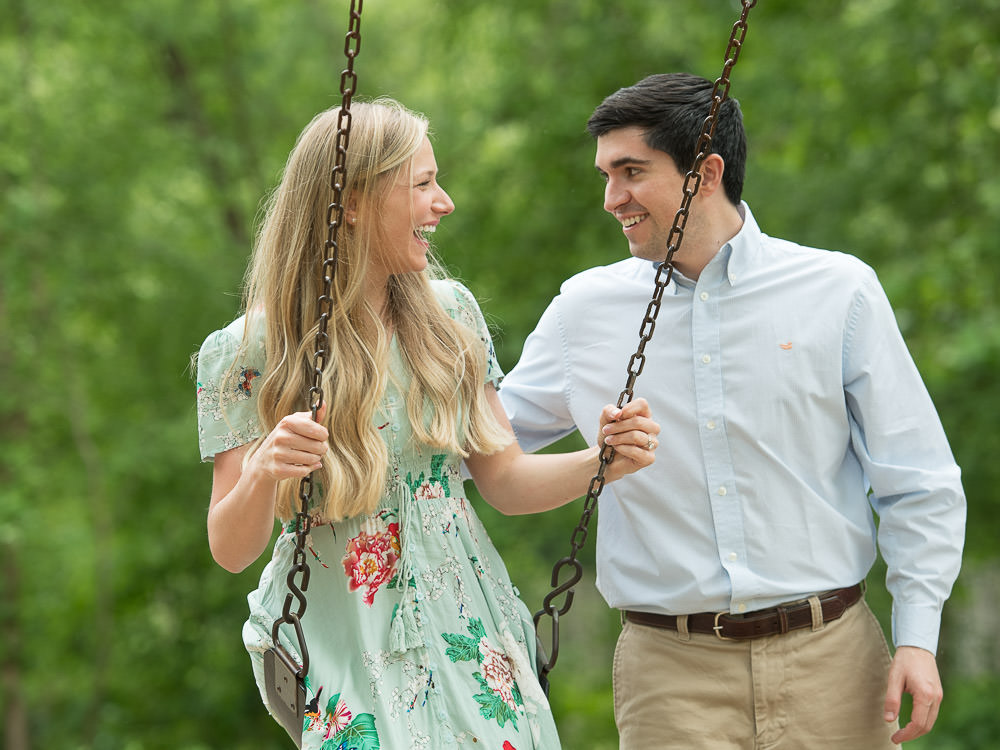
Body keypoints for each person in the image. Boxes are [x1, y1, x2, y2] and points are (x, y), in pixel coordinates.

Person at [498, 73, 966, 749]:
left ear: (706, 171)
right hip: (671, 677)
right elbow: (483, 445)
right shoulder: (583, 310)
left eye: (632, 172)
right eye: (605, 175)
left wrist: (918, 638)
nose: (611, 199)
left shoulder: (839, 291)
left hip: (834, 663)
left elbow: (916, 478)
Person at [194, 97, 660, 749]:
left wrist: (598, 463)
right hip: (343, 634)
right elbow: (230, 546)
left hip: (466, 623)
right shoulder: (248, 351)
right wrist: (266, 470)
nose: (443, 203)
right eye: (422, 185)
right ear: (352, 202)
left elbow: (503, 480)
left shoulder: (450, 319)